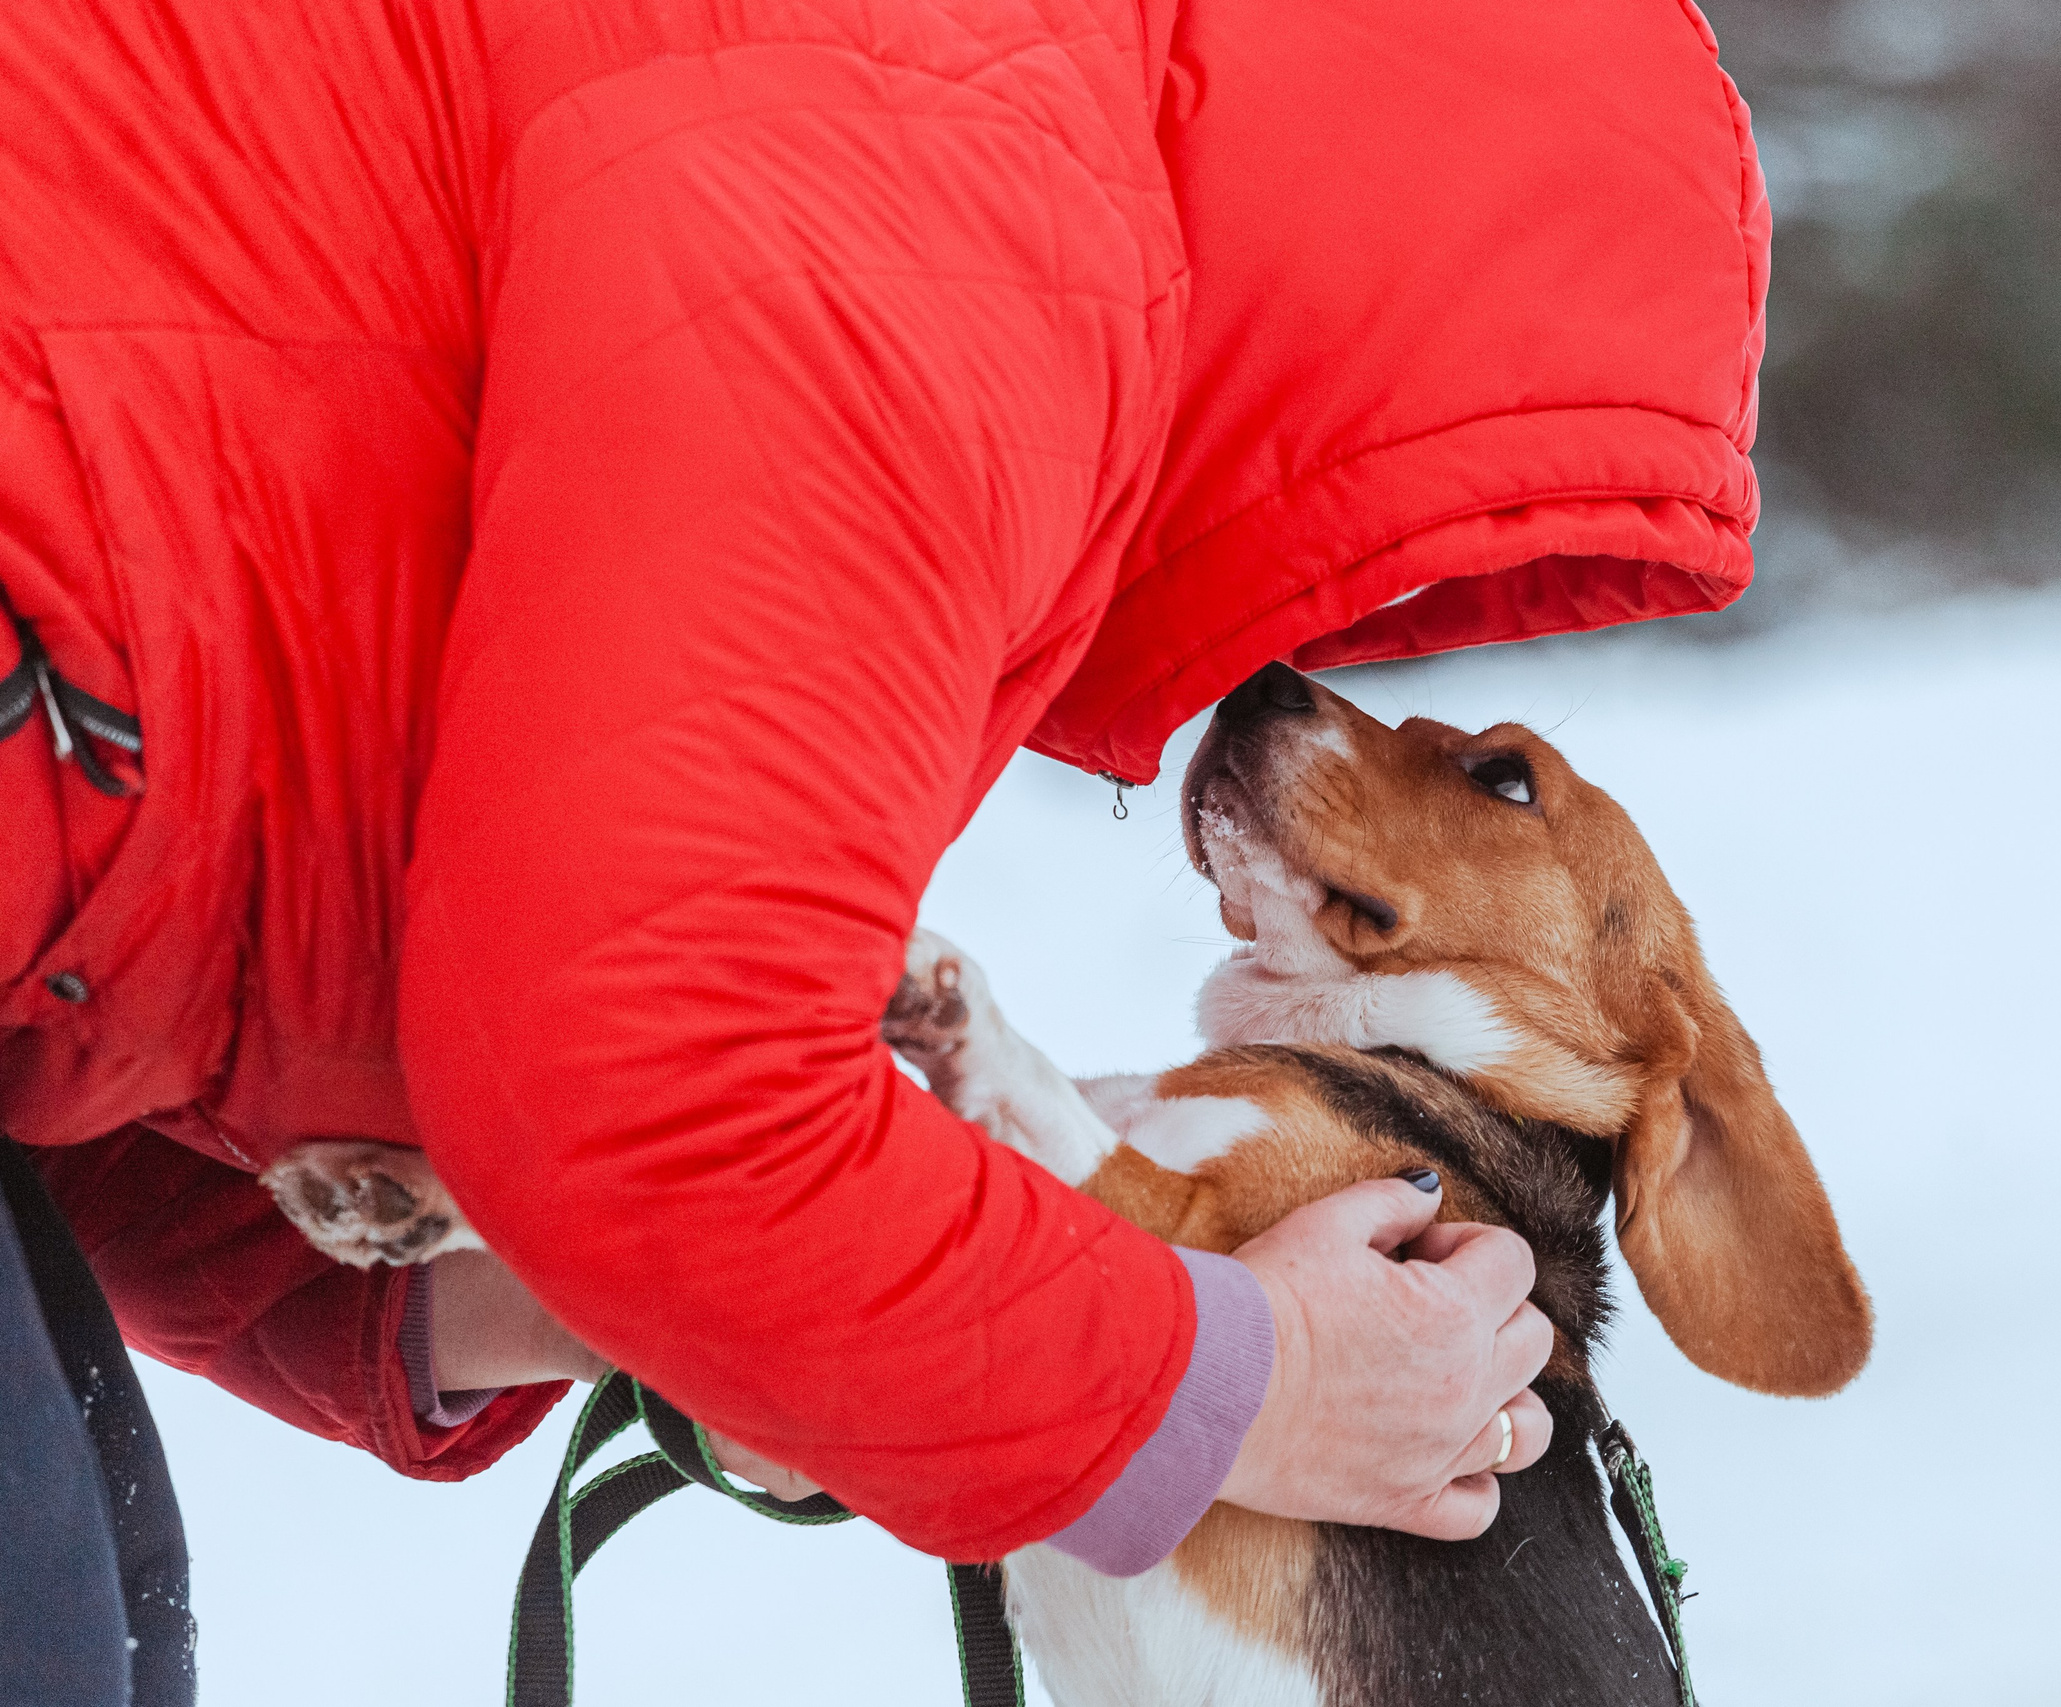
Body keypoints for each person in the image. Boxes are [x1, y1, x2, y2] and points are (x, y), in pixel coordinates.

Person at [0, 0, 1772, 1696]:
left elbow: (151, 972)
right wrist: (1265, 1385)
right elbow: (669, 1088)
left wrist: (681, 1318)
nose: (1341, 637)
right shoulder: (958, 226)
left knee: (96, 1613)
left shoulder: (919, 143)